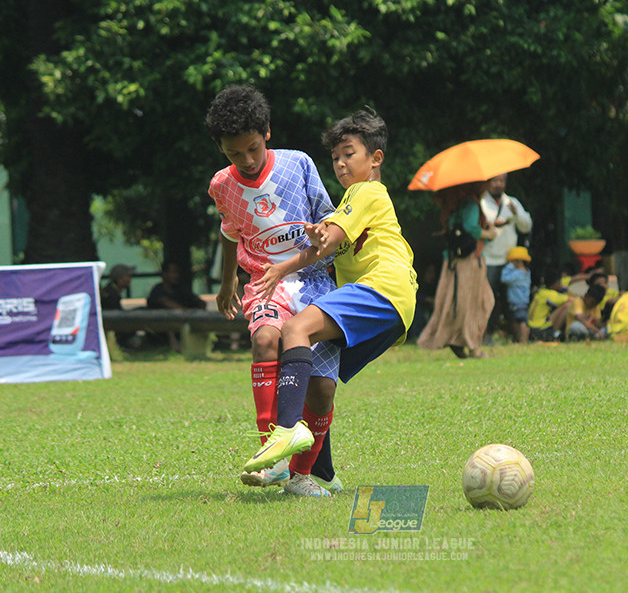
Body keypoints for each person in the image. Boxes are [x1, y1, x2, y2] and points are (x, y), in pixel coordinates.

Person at [246, 109, 417, 495]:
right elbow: (328, 243)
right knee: (318, 382)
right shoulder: (353, 202)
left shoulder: (365, 192)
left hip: (382, 289)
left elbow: (325, 244)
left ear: (375, 158)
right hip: (396, 306)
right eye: (336, 157)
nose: (340, 164)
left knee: (295, 329)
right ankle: (319, 471)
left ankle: (285, 433)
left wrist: (280, 268)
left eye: (349, 154)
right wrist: (318, 234)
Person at [205, 83, 342, 496]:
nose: (247, 161)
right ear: (220, 149)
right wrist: (228, 281)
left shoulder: (298, 164)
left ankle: (302, 476)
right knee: (265, 339)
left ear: (267, 132)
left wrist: (321, 232)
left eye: (253, 148)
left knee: (321, 389)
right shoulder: (221, 185)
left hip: (315, 281)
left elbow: (330, 221)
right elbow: (230, 232)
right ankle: (274, 457)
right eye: (234, 154)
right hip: (266, 284)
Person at [417, 181, 497, 358]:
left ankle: (457, 340)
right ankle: (473, 347)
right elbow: (471, 228)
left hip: (454, 261)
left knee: (457, 302)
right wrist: (490, 234)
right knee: (479, 302)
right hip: (469, 261)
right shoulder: (471, 203)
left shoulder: (455, 204)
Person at [481, 173, 533, 335]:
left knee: (512, 301)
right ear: (488, 183)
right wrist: (491, 225)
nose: (498, 184)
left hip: (511, 260)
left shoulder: (512, 202)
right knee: (487, 299)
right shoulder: (482, 202)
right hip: (489, 259)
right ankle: (484, 335)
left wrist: (516, 214)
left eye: (502, 181)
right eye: (495, 181)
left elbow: (526, 227)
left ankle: (516, 337)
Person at [527, 266, 572, 341]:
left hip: (530, 327)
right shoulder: (550, 294)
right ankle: (555, 333)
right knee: (567, 305)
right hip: (540, 327)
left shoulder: (541, 292)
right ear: (556, 283)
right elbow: (571, 299)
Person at [500, 246, 532, 343]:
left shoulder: (517, 274)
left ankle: (522, 340)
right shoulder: (526, 272)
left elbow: (504, 278)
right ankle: (522, 340)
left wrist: (509, 266)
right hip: (524, 301)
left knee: (520, 321)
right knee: (521, 320)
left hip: (517, 301)